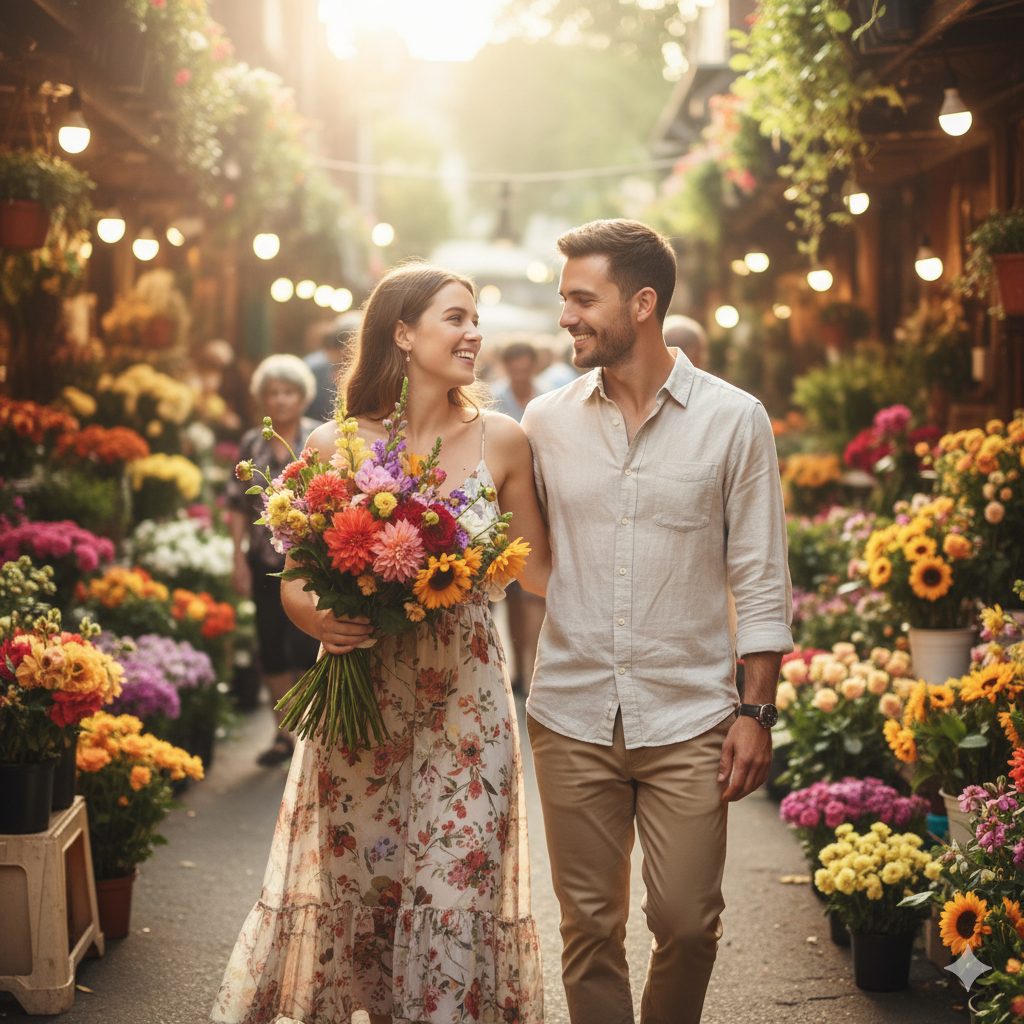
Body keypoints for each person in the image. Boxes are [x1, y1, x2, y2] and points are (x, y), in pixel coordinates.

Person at [213, 264, 549, 1024]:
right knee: (369, 896)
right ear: (402, 332)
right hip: (361, 705)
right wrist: (315, 619)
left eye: (476, 320)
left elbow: (543, 574)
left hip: (466, 704)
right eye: (455, 318)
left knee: (454, 891)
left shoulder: (504, 440)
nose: (474, 334)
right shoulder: (334, 444)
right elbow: (295, 577)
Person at [520, 219, 792, 1024]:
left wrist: (757, 711)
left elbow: (761, 575)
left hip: (690, 716)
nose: (565, 316)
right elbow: (514, 552)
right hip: (569, 713)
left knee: (686, 922)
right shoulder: (543, 422)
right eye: (563, 299)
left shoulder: (735, 420)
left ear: (643, 304)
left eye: (581, 299)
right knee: (589, 929)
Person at [226, 354, 322, 767]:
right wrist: (237, 559)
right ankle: (283, 735)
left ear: (302, 397)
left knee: (306, 646)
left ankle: (309, 735)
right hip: (263, 559)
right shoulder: (251, 444)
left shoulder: (318, 439)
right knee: (271, 648)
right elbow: (235, 506)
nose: (281, 401)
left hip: (311, 564)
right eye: (273, 393)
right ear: (262, 399)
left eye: (288, 393)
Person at [488, 340, 546, 692]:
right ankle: (514, 669)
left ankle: (530, 669)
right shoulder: (493, 400)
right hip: (493, 506)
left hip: (534, 501)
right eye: (515, 366)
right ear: (507, 367)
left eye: (526, 366)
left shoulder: (549, 395)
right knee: (504, 595)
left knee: (531, 594)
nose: (520, 372)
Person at [304, 311, 362, 422]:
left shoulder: (373, 371)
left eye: (354, 344)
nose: (347, 349)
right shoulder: (313, 369)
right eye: (341, 342)